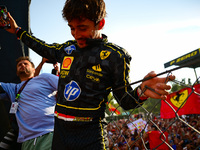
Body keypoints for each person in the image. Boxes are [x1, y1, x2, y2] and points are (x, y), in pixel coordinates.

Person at [5, 0, 175, 149]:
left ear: (100, 24)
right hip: (60, 132)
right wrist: (18, 31)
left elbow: (125, 101)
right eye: (72, 28)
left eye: (82, 28)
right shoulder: (67, 48)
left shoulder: (116, 56)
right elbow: (42, 47)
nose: (76, 34)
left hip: (91, 135)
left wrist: (141, 92)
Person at [0, 56, 58, 150]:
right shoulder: (12, 88)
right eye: (19, 65)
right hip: (27, 141)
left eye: (25, 63)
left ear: (34, 69)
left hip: (50, 133)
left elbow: (68, 88)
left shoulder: (44, 78)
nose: (22, 65)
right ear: (16, 72)